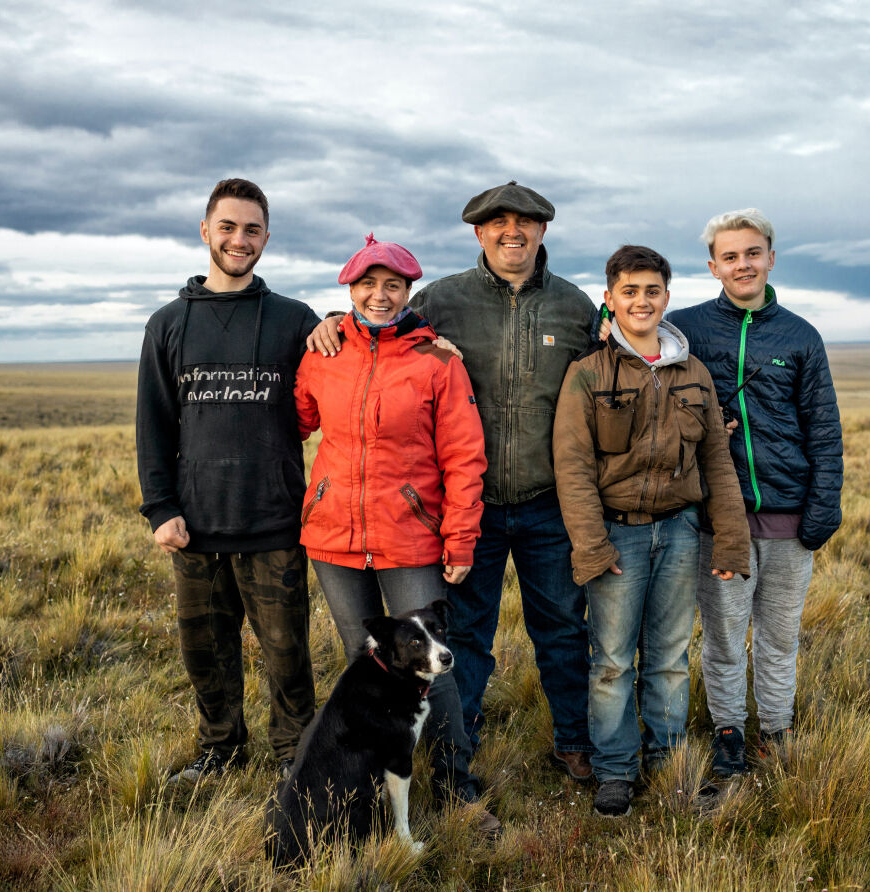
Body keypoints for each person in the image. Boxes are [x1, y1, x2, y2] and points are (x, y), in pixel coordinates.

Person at [308, 182, 600, 782]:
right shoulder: (442, 299)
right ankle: (456, 751)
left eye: (525, 222)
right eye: (498, 223)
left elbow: (607, 379)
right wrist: (334, 321)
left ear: (544, 231)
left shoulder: (574, 308)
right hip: (469, 509)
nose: (511, 231)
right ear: (478, 232)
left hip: (549, 504)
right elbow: (380, 328)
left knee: (565, 631)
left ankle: (573, 741)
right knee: (464, 637)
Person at [294, 234, 499, 833]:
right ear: (349, 290)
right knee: (367, 669)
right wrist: (318, 334)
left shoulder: (437, 361)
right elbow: (300, 418)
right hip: (334, 539)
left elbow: (465, 457)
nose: (379, 296)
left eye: (392, 286)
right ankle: (365, 788)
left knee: (435, 669)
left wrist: (459, 539)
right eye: (367, 285)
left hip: (410, 538)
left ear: (409, 291)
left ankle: (458, 787)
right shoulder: (324, 352)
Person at [553, 245, 750, 817]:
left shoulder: (693, 373)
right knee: (612, 661)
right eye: (630, 291)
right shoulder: (587, 374)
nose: (642, 300)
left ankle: (668, 763)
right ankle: (615, 770)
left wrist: (731, 539)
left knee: (668, 657)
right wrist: (592, 546)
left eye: (653, 290)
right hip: (618, 538)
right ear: (609, 298)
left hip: (681, 532)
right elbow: (572, 466)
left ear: (668, 297)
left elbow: (717, 459)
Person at [136, 178, 318, 783]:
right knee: (206, 654)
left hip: (273, 522)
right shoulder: (166, 325)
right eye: (228, 227)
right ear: (205, 231)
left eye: (253, 229)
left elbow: (360, 361)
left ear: (267, 237)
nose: (240, 240)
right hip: (196, 527)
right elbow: (155, 424)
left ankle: (295, 754)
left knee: (287, 654)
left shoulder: (295, 321)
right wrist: (161, 509)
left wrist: (349, 323)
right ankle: (219, 748)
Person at [663, 209, 843, 778]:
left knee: (779, 637)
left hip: (792, 519)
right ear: (713, 265)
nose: (743, 264)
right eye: (730, 255)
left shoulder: (801, 336)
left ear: (770, 257)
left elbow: (825, 429)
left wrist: (822, 512)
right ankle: (729, 732)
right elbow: (628, 336)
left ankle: (776, 729)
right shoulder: (685, 328)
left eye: (752, 252)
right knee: (721, 636)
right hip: (719, 521)